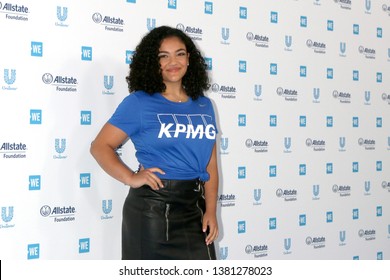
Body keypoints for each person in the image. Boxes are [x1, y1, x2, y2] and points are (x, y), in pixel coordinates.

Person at [90, 25, 219, 260]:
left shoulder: (204, 105)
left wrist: (211, 209)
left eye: (179, 53)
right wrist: (130, 177)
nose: (173, 61)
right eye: (163, 56)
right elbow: (100, 146)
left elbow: (210, 162)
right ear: (153, 61)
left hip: (194, 209)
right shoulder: (139, 103)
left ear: (189, 59)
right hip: (152, 211)